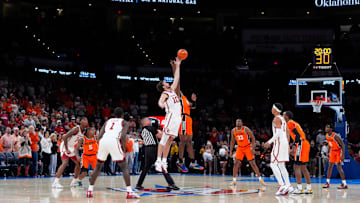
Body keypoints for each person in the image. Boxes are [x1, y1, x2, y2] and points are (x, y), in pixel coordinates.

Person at [87, 107, 139, 199]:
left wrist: (99, 146)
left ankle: (90, 190)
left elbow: (99, 135)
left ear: (114, 115)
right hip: (114, 140)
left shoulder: (108, 121)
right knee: (124, 166)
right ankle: (129, 192)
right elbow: (123, 136)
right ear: (122, 115)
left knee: (98, 166)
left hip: (103, 140)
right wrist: (123, 148)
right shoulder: (124, 122)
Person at [154, 57, 182, 173]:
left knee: (170, 140)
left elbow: (176, 77)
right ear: (163, 86)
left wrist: (178, 65)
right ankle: (158, 161)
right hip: (170, 117)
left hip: (177, 118)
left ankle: (164, 162)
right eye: (165, 82)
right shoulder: (165, 93)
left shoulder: (172, 90)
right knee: (164, 139)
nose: (168, 82)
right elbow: (160, 101)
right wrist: (161, 104)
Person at [135, 117, 179, 190]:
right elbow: (161, 137)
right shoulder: (150, 128)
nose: (150, 120)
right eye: (148, 120)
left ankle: (139, 184)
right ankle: (171, 183)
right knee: (161, 165)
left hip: (147, 149)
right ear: (144, 122)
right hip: (153, 148)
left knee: (146, 168)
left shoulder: (142, 130)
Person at [264, 103, 294, 195]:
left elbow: (279, 132)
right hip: (284, 142)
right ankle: (288, 186)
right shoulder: (283, 119)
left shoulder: (276, 118)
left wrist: (269, 141)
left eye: (272, 108)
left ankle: (282, 185)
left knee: (273, 164)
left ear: (276, 110)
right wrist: (287, 144)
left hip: (279, 143)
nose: (271, 109)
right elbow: (287, 132)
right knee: (281, 165)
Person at [52, 117, 88, 188]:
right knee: (65, 162)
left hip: (72, 147)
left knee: (78, 164)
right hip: (66, 145)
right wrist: (67, 148)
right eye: (84, 120)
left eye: (86, 120)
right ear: (80, 121)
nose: (85, 121)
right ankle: (55, 182)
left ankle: (74, 181)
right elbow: (65, 137)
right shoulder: (76, 129)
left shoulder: (84, 131)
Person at [283, 111, 312, 194]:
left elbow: (297, 135)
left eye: (284, 115)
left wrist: (294, 146)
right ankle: (309, 188)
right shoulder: (294, 123)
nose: (282, 116)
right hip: (305, 143)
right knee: (303, 167)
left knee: (296, 166)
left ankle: (299, 188)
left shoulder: (290, 123)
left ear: (287, 117)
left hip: (301, 144)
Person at [230, 119, 265, 186]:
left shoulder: (245, 129)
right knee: (236, 164)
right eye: (237, 121)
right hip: (240, 148)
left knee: (253, 164)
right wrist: (231, 151)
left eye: (239, 121)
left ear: (242, 123)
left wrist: (253, 148)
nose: (238, 122)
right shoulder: (233, 130)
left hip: (247, 147)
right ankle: (234, 181)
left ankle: (260, 179)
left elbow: (253, 138)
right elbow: (232, 141)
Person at [177, 92, 203, 172]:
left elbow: (193, 107)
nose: (194, 96)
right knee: (183, 140)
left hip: (188, 119)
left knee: (189, 142)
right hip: (183, 117)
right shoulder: (181, 97)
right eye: (193, 95)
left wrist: (194, 100)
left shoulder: (187, 101)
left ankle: (192, 162)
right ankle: (180, 161)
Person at [323, 124, 348, 189]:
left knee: (338, 166)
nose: (326, 128)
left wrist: (343, 155)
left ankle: (344, 184)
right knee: (330, 166)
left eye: (327, 127)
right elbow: (329, 144)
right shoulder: (327, 136)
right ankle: (327, 182)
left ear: (331, 129)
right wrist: (328, 152)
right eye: (326, 127)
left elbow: (342, 145)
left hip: (338, 151)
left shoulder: (335, 136)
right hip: (333, 151)